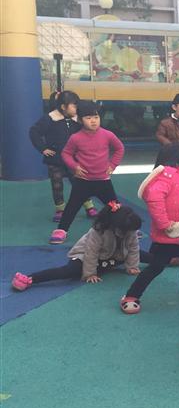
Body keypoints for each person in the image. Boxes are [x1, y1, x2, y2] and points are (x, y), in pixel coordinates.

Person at [119, 144, 179, 315]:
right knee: (156, 266)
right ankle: (131, 295)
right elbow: (155, 198)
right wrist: (166, 225)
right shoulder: (167, 176)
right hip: (168, 235)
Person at [12, 202, 143, 291]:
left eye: (133, 231)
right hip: (85, 256)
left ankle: (157, 260)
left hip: (110, 256)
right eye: (129, 231)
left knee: (139, 254)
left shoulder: (130, 231)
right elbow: (91, 252)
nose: (132, 233)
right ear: (116, 226)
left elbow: (134, 248)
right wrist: (90, 274)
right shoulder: (98, 231)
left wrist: (132, 267)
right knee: (70, 271)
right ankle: (30, 278)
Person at [50, 102, 124, 245]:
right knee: (71, 207)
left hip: (103, 180)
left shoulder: (107, 135)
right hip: (83, 181)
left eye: (96, 117)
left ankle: (124, 228)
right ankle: (62, 230)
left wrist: (113, 164)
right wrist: (75, 167)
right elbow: (66, 153)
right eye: (88, 118)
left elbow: (119, 148)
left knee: (115, 206)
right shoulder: (76, 138)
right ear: (80, 120)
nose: (93, 121)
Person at [29, 90, 96, 222]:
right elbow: (34, 131)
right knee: (57, 185)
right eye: (74, 105)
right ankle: (60, 210)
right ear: (63, 107)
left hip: (74, 160)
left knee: (80, 183)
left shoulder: (78, 119)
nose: (77, 108)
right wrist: (43, 148)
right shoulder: (50, 118)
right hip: (55, 160)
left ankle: (89, 207)